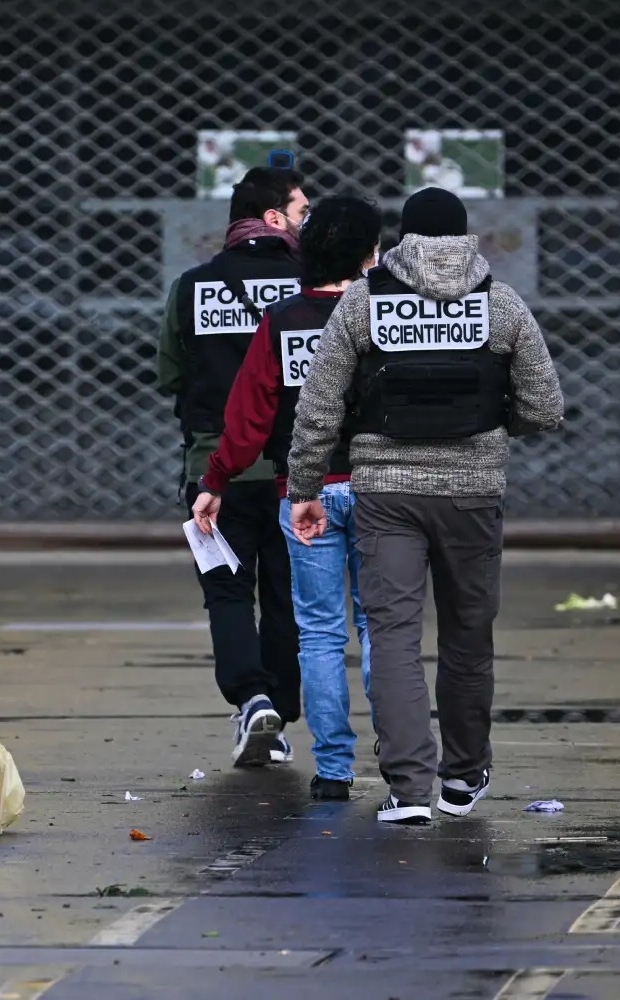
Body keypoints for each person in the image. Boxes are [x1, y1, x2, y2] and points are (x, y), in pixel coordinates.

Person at [285, 187, 565, 824]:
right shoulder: (500, 303)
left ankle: (409, 790)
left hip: (386, 496)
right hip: (473, 494)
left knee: (392, 637)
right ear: (464, 237)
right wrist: (495, 428)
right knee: (468, 634)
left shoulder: (364, 301)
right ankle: (462, 778)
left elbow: (319, 407)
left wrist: (304, 489)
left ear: (403, 241)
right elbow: (545, 406)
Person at [192, 195, 383, 801]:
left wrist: (216, 480)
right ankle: (400, 749)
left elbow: (250, 416)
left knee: (320, 633)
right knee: (380, 624)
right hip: (381, 488)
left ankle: (334, 770)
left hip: (302, 492)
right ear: (369, 255)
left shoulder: (282, 320)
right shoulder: (384, 316)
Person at [156, 166, 308, 767]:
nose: (306, 222)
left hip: (215, 469)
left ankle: (252, 699)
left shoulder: (192, 287)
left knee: (226, 591)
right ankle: (278, 709)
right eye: (301, 211)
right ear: (275, 218)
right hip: (296, 471)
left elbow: (169, 374)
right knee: (288, 596)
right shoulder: (311, 286)